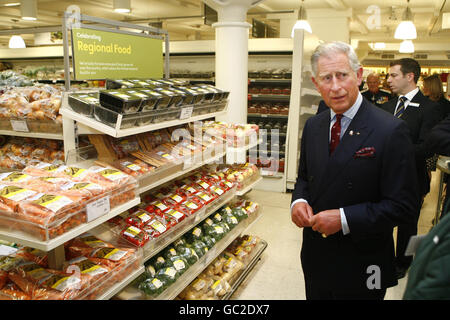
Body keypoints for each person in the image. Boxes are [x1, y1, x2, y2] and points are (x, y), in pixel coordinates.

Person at [291, 41, 420, 300]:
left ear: (358, 76)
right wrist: (299, 201)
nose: (336, 86)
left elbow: (404, 206)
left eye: (342, 75)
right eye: (327, 78)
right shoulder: (314, 126)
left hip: (365, 261)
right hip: (317, 256)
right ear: (317, 85)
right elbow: (304, 177)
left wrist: (344, 218)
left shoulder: (390, 130)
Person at [382, 58, 441, 279]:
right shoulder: (387, 105)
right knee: (382, 219)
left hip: (412, 177)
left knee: (409, 225)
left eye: (393, 75)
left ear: (410, 77)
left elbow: (427, 147)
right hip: (384, 176)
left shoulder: (429, 108)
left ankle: (404, 263)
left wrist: (392, 151)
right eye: (388, 75)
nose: (388, 80)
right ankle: (384, 257)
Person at [421, 74, 450, 175]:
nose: (423, 88)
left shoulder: (445, 105)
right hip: (425, 143)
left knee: (426, 171)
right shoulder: (423, 102)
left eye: (425, 85)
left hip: (435, 145)